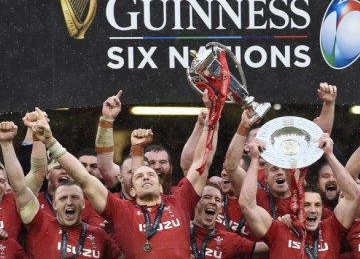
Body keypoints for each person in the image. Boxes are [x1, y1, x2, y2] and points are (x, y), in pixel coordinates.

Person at [27, 104, 218, 258]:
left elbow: (203, 161)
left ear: (161, 186)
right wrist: (50, 141)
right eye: (139, 176)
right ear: (132, 191)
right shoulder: (121, 211)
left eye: (151, 174)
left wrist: (213, 120)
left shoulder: (179, 202)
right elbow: (84, 178)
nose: (146, 177)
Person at [0, 121, 121, 258]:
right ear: (55, 204)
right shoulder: (40, 224)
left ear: (84, 203)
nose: (69, 202)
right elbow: (19, 187)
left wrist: (119, 234)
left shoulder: (99, 236)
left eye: (75, 197)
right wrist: (6, 144)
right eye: (63, 198)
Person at [239, 134, 360, 258]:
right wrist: (254, 159)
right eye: (306, 205)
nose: (313, 210)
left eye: (317, 205)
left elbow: (353, 196)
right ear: (296, 207)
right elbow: (247, 205)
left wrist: (329, 154)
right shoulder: (279, 230)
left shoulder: (331, 229)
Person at [191, 183, 268, 258]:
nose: (213, 202)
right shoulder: (181, 232)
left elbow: (264, 247)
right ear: (195, 203)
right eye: (207, 197)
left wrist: (278, 229)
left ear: (220, 209)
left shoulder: (229, 240)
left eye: (217, 200)